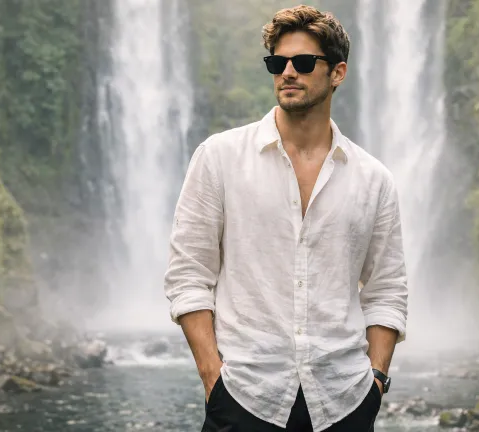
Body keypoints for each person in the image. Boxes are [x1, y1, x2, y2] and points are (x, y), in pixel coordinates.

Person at [164, 5, 408, 432]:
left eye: (304, 62)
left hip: (345, 402)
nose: (288, 72)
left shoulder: (374, 179)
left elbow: (387, 290)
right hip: (242, 398)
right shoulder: (219, 158)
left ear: (337, 72)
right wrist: (212, 379)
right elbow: (188, 275)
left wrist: (376, 382)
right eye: (278, 63)